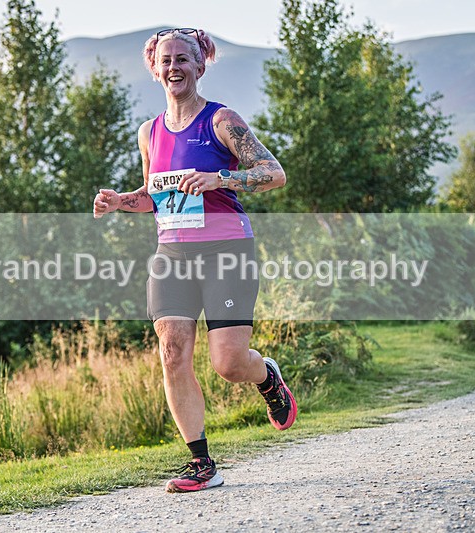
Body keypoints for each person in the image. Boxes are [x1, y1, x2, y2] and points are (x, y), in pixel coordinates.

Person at [92, 27, 296, 493]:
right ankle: (201, 463)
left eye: (183, 59)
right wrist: (120, 201)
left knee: (227, 362)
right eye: (165, 61)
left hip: (226, 250)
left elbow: (272, 173)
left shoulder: (221, 121)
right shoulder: (150, 132)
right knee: (172, 350)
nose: (173, 68)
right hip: (172, 253)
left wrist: (219, 178)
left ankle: (267, 378)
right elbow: (154, 196)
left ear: (200, 65)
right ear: (153, 68)